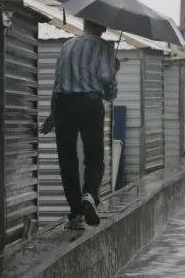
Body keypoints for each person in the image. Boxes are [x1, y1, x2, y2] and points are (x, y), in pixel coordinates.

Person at [40, 20, 120, 230]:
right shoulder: (105, 47)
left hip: (63, 105)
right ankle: (89, 196)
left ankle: (75, 212)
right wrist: (114, 72)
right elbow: (106, 82)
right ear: (103, 27)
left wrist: (52, 115)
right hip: (90, 103)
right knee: (94, 157)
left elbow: (57, 82)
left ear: (84, 24)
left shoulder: (67, 45)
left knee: (67, 159)